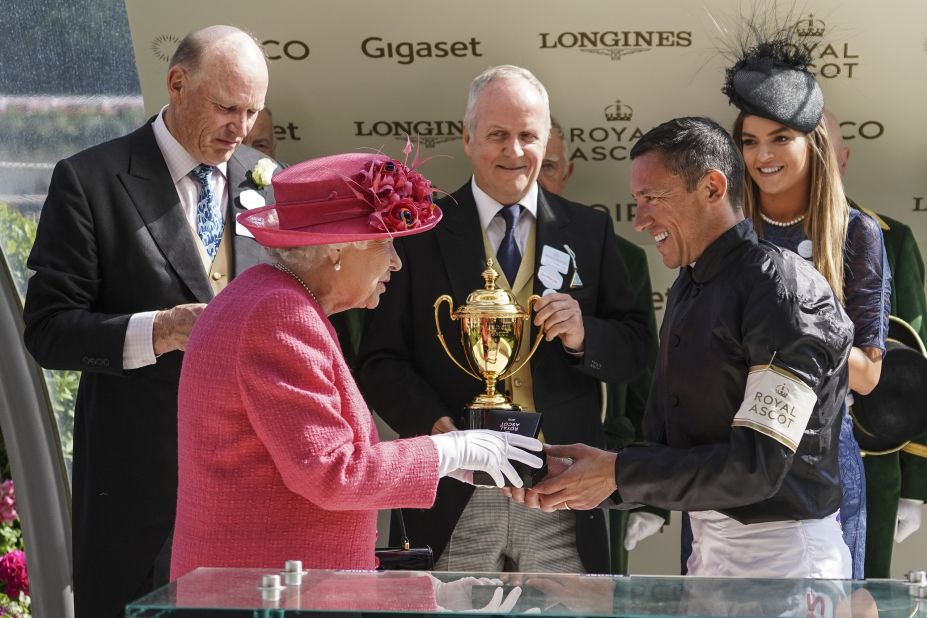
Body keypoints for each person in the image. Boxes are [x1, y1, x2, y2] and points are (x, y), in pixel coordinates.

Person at [170, 151, 543, 577]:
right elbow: (332, 471)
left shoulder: (274, 300)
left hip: (271, 587)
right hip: (269, 595)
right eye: (386, 243)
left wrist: (451, 463)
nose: (397, 262)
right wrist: (447, 450)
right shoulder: (278, 314)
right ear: (337, 251)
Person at [22, 25, 280, 618]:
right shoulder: (90, 181)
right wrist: (160, 330)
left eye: (252, 111)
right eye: (225, 108)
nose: (239, 129)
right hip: (139, 499)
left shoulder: (269, 181)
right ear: (176, 83)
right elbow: (49, 329)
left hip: (251, 494)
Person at [527, 116, 855, 579]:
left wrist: (616, 473)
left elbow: (756, 467)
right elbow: (668, 448)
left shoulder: (783, 291)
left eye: (651, 199)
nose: (639, 220)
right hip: (707, 551)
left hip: (788, 563)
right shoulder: (689, 285)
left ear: (713, 187)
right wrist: (584, 472)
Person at [356, 65, 653, 574]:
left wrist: (585, 337)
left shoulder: (590, 231)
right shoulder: (420, 234)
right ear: (467, 138)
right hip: (455, 488)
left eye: (527, 136)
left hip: (559, 488)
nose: (514, 152)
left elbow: (635, 351)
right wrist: (441, 434)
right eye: (497, 135)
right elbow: (381, 360)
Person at [725, 38, 891, 579]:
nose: (762, 156)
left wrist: (806, 323)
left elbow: (867, 377)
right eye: (749, 141)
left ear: (814, 140)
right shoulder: (727, 230)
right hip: (727, 455)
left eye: (780, 138)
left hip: (823, 459)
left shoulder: (856, 234)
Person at [538, 116, 663, 574]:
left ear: (567, 172)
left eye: (548, 166)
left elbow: (644, 372)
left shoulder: (618, 251)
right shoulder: (480, 245)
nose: (536, 178)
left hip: (597, 465)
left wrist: (650, 495)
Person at [824, 110, 927, 577]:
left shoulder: (890, 238)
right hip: (767, 454)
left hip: (871, 456)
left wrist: (916, 484)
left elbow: (916, 359)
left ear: (844, 159)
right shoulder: (748, 238)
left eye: (826, 149)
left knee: (864, 598)